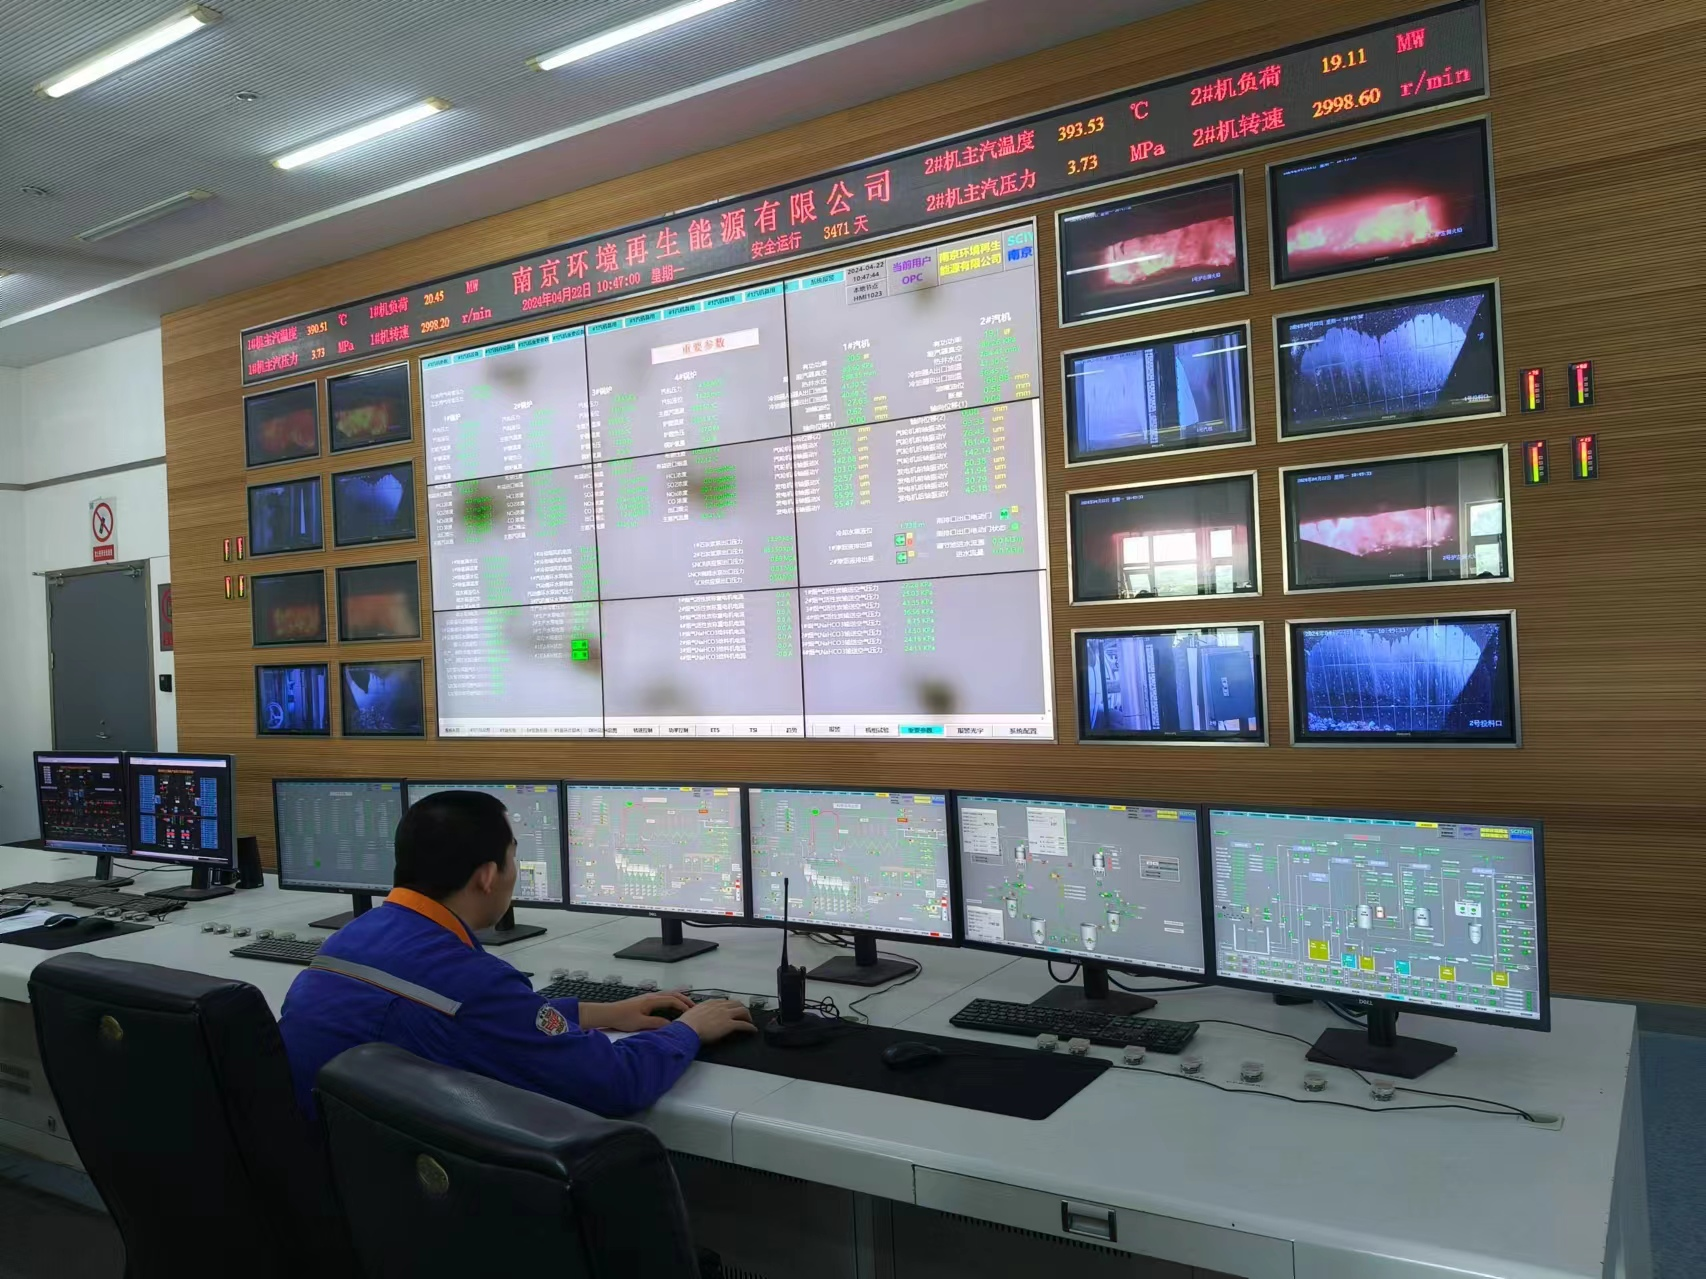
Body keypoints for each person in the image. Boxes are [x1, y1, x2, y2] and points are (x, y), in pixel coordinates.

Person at [278, 790, 754, 1116]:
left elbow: (484, 1018)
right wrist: (688, 1030)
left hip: (317, 1173)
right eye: (513, 857)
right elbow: (614, 1084)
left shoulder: (351, 938)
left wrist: (599, 1012)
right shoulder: (472, 982)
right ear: (488, 876)